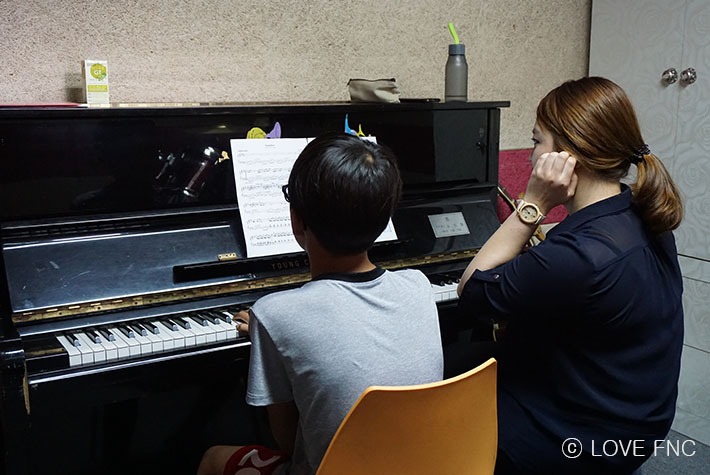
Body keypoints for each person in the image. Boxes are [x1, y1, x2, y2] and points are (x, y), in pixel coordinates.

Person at [455, 77, 684, 474]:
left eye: (536, 142)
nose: (530, 156)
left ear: (566, 157)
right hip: (640, 421)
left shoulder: (581, 255)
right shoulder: (640, 213)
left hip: (577, 439)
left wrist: (533, 203)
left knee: (446, 378)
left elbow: (471, 289)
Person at [197, 132, 444, 475]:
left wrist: (274, 335)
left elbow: (286, 443)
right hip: (421, 465)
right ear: (386, 218)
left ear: (296, 219)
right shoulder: (418, 285)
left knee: (213, 458)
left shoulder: (275, 314)